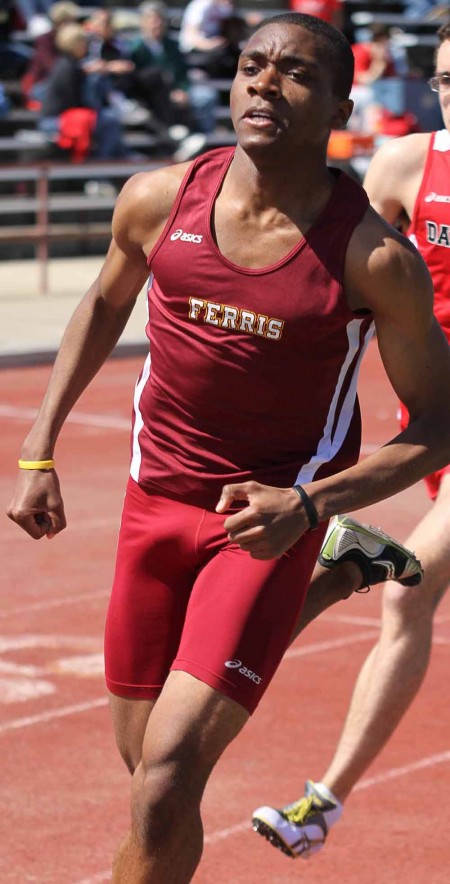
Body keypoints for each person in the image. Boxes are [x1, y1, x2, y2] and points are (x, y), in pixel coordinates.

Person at [7, 12, 450, 883]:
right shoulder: (159, 197)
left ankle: (323, 561)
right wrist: (40, 445)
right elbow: (103, 304)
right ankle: (340, 575)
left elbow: (439, 422)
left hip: (271, 521)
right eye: (253, 66)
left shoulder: (371, 257)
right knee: (148, 772)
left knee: (168, 779)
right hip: (153, 505)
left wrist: (314, 506)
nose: (264, 84)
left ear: (337, 103)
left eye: (293, 73)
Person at [251, 20, 450, 862]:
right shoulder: (408, 165)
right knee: (410, 598)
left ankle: (322, 801)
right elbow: (350, 285)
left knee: (406, 585)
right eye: (446, 78)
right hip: (434, 429)